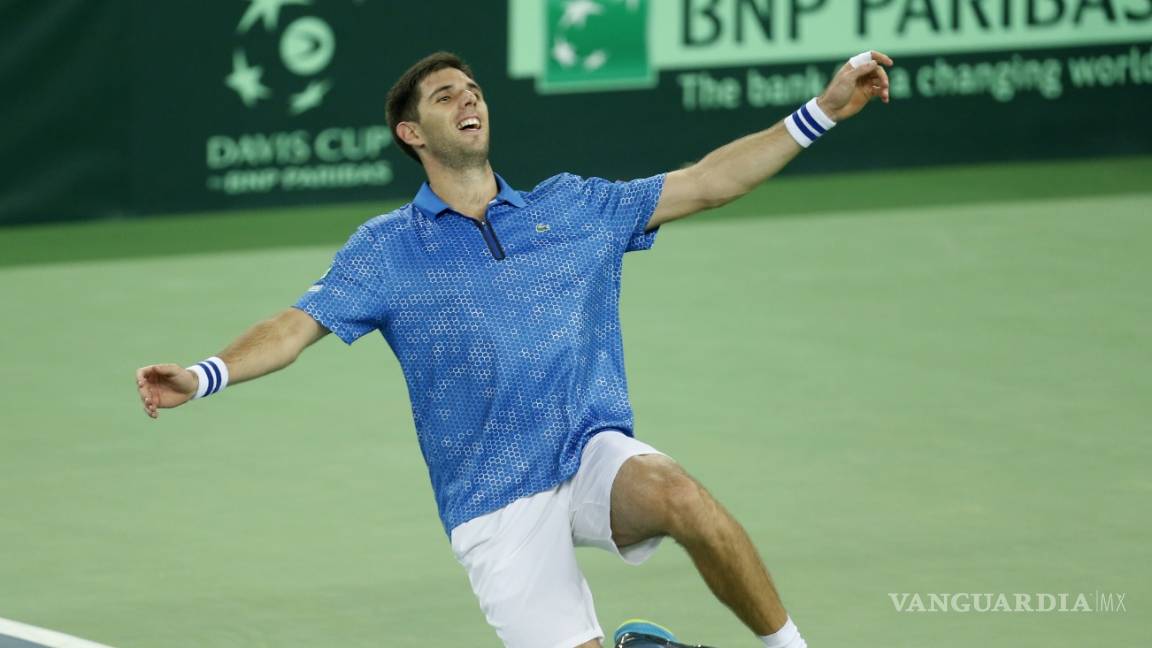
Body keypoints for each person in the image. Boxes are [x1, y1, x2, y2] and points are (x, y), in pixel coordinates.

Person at [136, 49, 893, 648]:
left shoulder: (573, 207)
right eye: (445, 96)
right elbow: (294, 328)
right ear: (411, 133)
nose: (469, 99)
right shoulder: (386, 250)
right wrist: (204, 376)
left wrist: (824, 110)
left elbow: (707, 183)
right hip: (492, 499)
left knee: (680, 495)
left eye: (473, 89)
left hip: (585, 449)